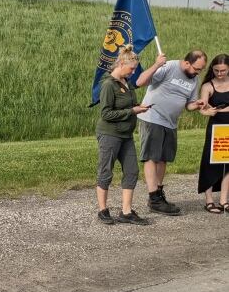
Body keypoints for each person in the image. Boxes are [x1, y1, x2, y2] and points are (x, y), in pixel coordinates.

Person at [137, 49, 207, 215]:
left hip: (170, 123)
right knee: (151, 157)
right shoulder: (169, 67)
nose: (198, 72)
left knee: (163, 159)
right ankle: (153, 198)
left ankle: (158, 195)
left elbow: (189, 105)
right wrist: (156, 64)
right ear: (187, 62)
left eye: (201, 70)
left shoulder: (193, 79)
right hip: (152, 117)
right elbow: (140, 81)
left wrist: (196, 105)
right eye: (196, 68)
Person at [95, 47, 157, 225]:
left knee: (132, 170)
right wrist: (132, 111)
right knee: (106, 170)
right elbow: (106, 113)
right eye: (131, 69)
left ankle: (126, 211)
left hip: (126, 135)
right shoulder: (108, 85)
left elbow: (127, 106)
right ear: (121, 64)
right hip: (110, 134)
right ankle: (102, 210)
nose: (132, 72)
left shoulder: (126, 83)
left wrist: (139, 107)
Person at [197, 53, 229, 213]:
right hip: (216, 127)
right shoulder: (208, 86)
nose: (220, 73)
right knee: (210, 163)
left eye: (223, 70)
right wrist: (207, 111)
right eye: (216, 70)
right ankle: (209, 200)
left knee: (228, 164)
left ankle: (224, 200)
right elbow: (202, 109)